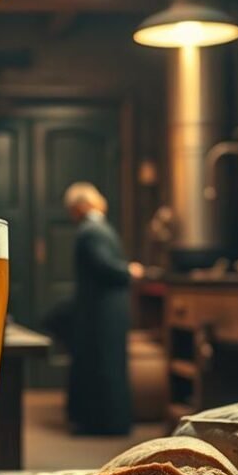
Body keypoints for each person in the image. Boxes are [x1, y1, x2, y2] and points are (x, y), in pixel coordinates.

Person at [62, 182, 142, 435]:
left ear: (81, 206)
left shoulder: (90, 230)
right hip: (108, 308)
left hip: (101, 310)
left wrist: (127, 270)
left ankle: (105, 423)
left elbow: (104, 265)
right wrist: (129, 270)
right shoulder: (97, 228)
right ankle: (110, 421)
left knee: (102, 364)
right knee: (107, 363)